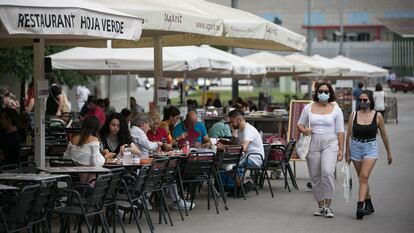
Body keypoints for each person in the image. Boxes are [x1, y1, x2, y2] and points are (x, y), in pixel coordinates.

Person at [297, 82, 344, 218]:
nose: (323, 93)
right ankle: (321, 206)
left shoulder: (336, 109)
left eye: (326, 91)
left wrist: (341, 149)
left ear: (330, 93)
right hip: (313, 142)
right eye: (321, 91)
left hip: (331, 142)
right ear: (316, 93)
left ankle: (328, 206)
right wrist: (305, 130)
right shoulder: (308, 108)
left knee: (327, 172)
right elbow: (300, 124)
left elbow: (340, 130)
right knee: (315, 176)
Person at [345, 90, 392, 220]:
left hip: (370, 148)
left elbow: (384, 135)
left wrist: (389, 153)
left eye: (365, 100)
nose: (362, 102)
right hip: (355, 148)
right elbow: (348, 136)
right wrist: (347, 153)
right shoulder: (353, 115)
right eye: (360, 100)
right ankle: (369, 203)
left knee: (364, 176)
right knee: (362, 178)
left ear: (370, 101)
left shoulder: (377, 116)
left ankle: (360, 206)